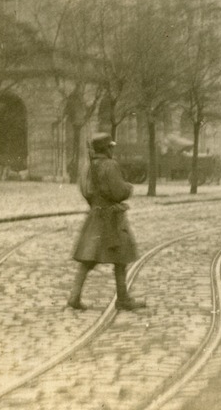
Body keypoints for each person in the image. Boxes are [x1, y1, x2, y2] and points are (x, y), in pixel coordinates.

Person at [67, 133, 145, 312]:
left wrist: (95, 203)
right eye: (111, 147)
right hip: (112, 219)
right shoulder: (110, 165)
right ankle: (123, 299)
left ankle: (74, 296)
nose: (113, 149)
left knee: (87, 259)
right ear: (107, 148)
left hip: (95, 216)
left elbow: (85, 190)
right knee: (122, 256)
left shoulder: (88, 166)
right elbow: (118, 192)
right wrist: (128, 188)